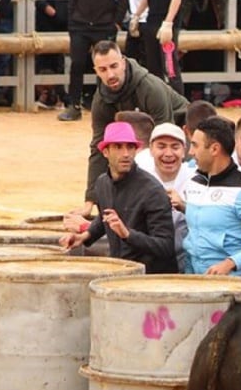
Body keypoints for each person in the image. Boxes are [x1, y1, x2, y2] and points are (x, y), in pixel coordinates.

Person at [84, 41, 189, 215]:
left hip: (179, 128)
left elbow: (167, 134)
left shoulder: (150, 88)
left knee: (165, 154)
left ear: (123, 62)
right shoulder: (101, 100)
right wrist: (90, 199)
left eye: (114, 66)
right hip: (141, 136)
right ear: (96, 71)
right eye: (103, 70)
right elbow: (98, 147)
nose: (110, 74)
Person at [60, 121, 177, 273]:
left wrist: (127, 234)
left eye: (130, 147)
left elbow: (165, 246)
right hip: (120, 272)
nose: (126, 154)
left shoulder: (152, 191)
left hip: (151, 280)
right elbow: (105, 217)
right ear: (105, 152)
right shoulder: (103, 183)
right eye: (118, 147)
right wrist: (85, 236)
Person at [58, 0, 129, 123]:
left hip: (104, 24)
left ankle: (106, 106)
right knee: (77, 64)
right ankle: (74, 105)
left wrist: (116, 22)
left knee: (106, 67)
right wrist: (72, 20)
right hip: (80, 24)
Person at [182, 116, 241, 275]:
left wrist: (230, 263)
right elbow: (192, 239)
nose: (190, 152)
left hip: (234, 284)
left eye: (195, 145)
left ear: (214, 149)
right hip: (196, 284)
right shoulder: (194, 182)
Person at [136, 121, 194, 271]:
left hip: (188, 261)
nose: (168, 154)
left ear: (184, 151)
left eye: (175, 147)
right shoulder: (140, 180)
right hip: (147, 260)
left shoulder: (196, 180)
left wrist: (184, 206)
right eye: (161, 146)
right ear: (151, 150)